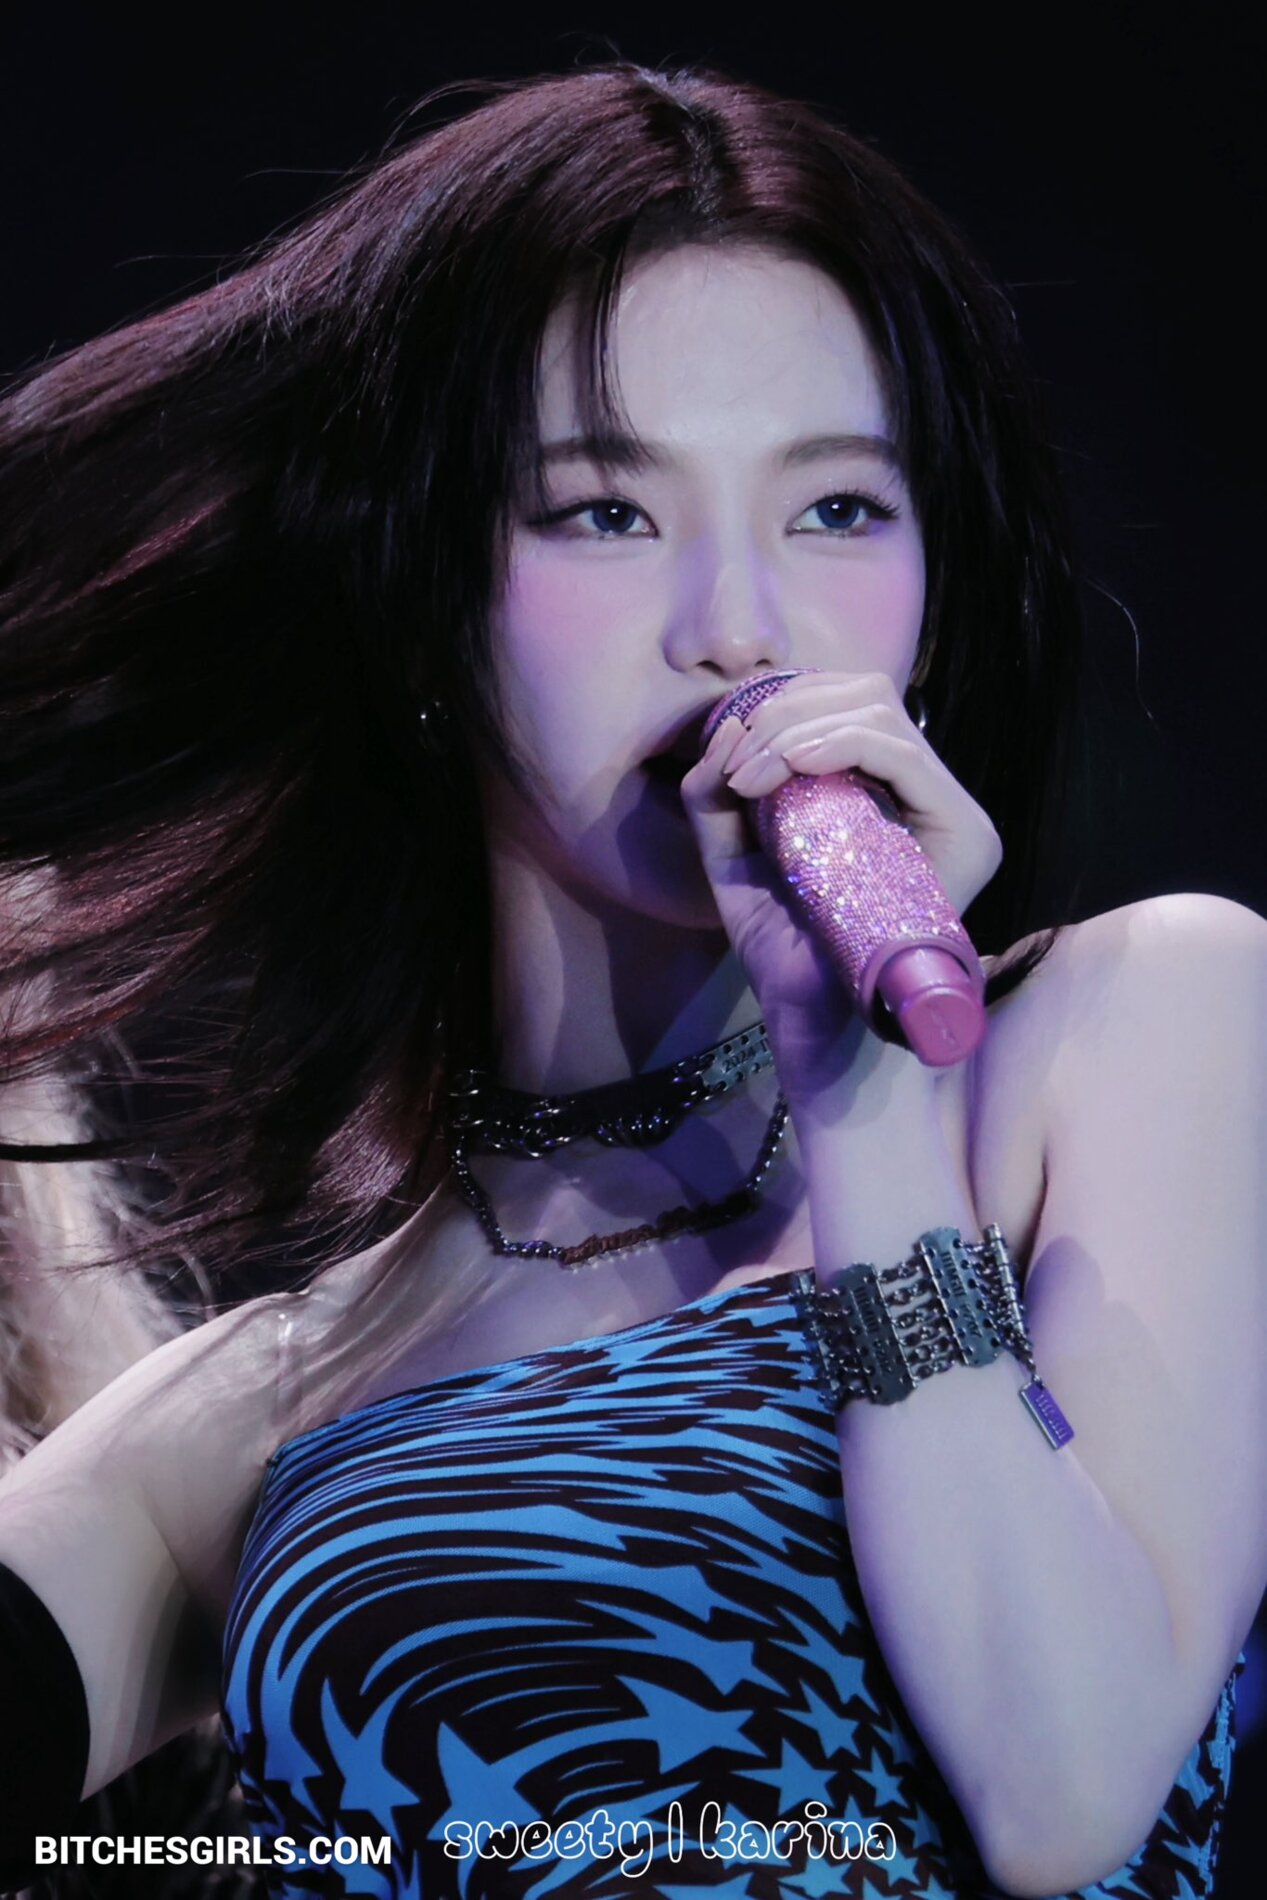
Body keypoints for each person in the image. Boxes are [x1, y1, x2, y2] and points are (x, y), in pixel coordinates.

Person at [0, 59, 1263, 1900]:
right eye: (605, 512)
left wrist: (869, 1103)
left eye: (839, 510)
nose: (740, 626)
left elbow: (1063, 1791)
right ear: (419, 602)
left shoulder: (1140, 1026)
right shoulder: (268, 1402)